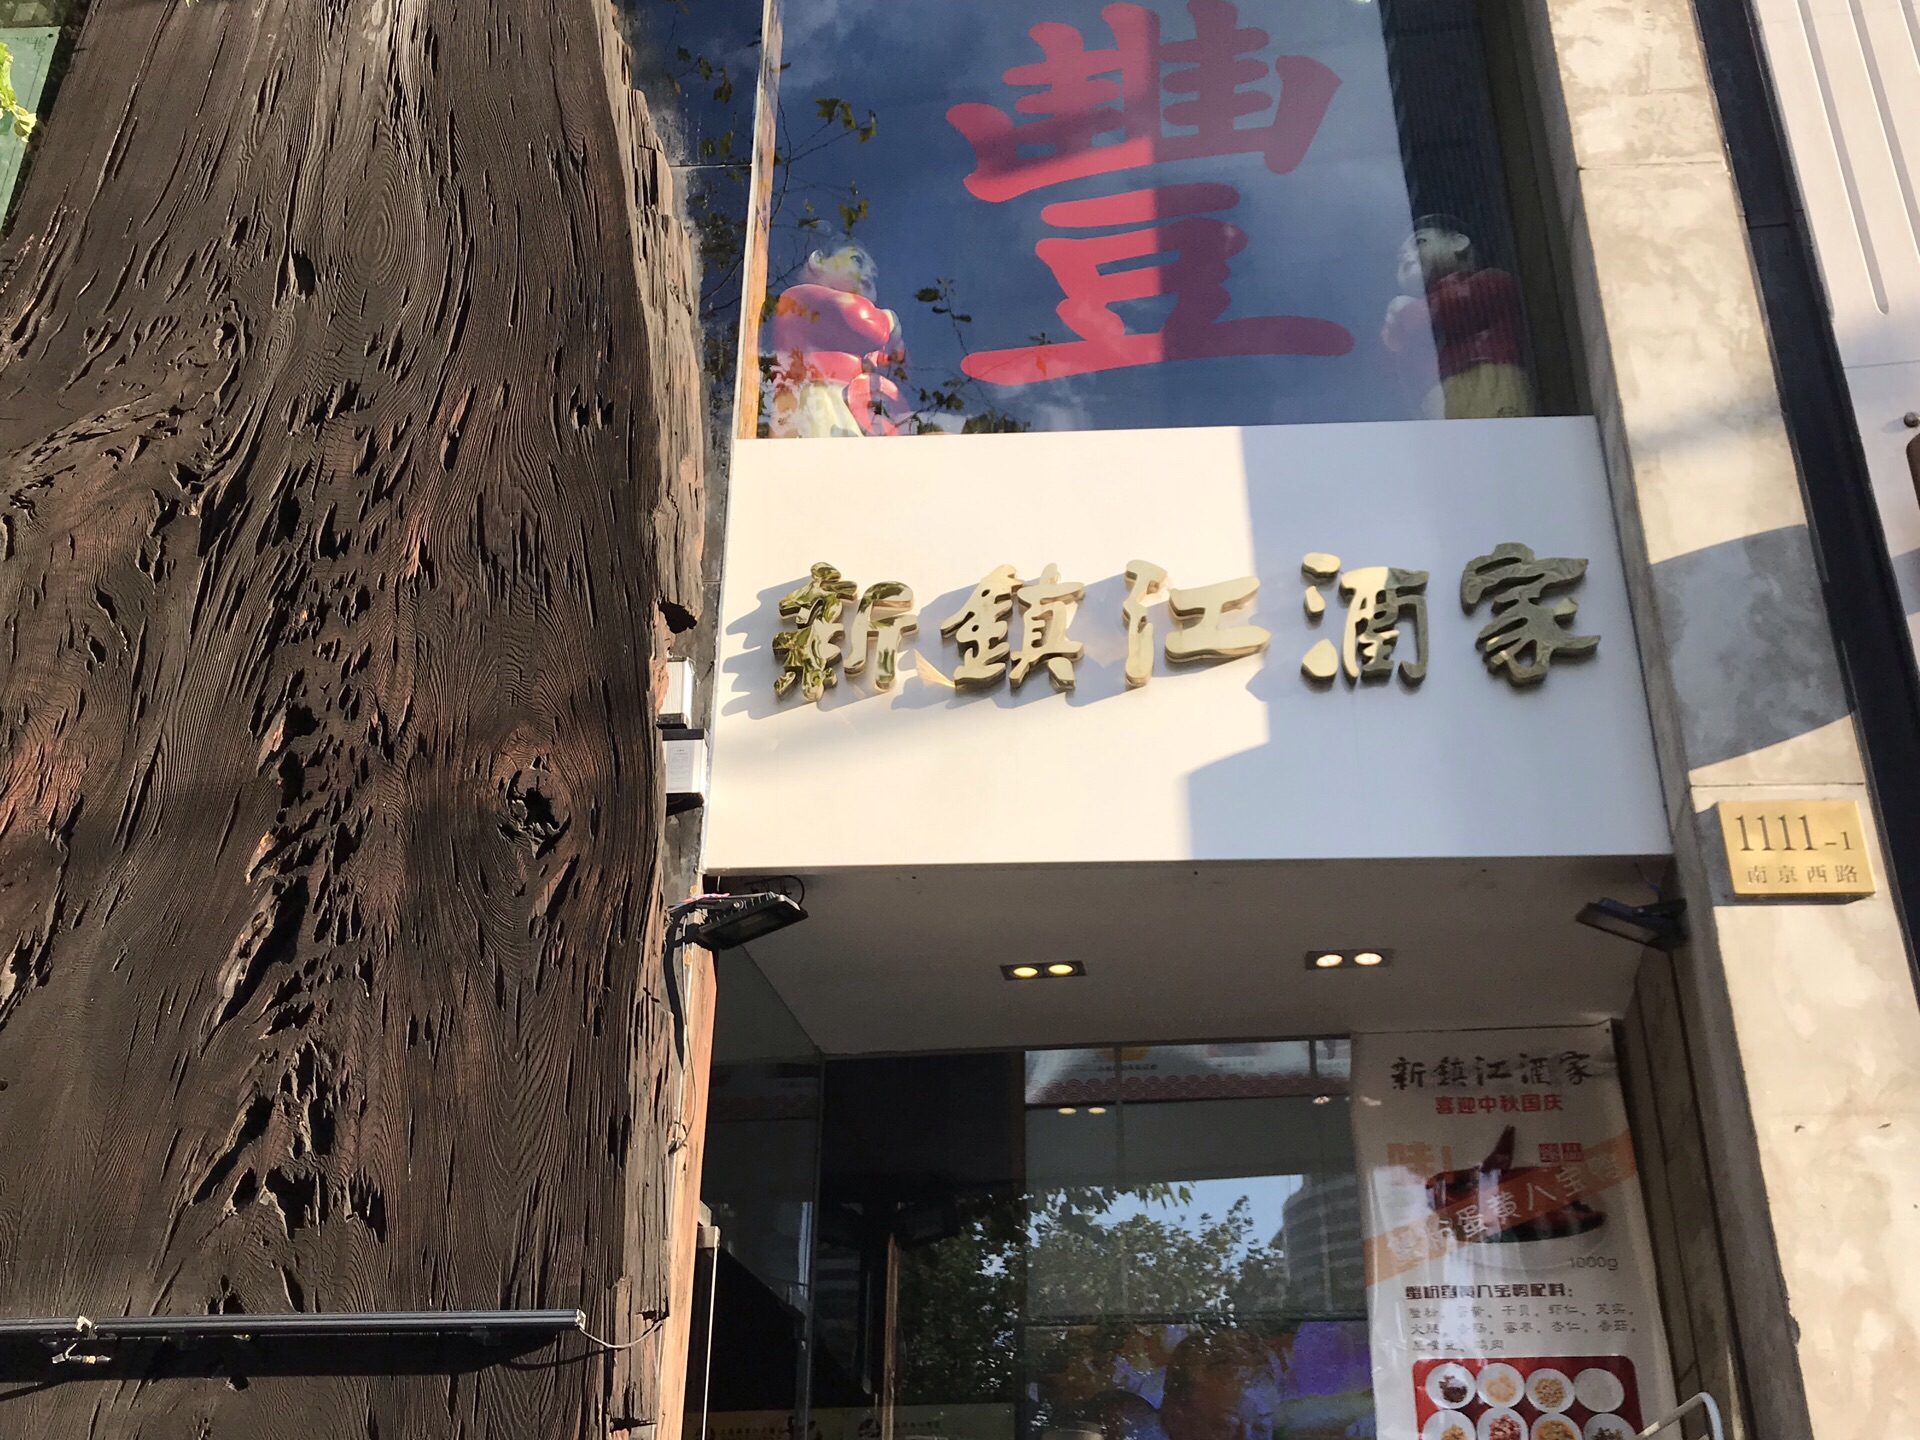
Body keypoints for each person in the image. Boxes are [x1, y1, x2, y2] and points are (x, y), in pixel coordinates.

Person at [1381, 215, 1533, 421]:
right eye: (1400, 257)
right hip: (1437, 397)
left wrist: (1409, 313)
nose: (1406, 256)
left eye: (1419, 242)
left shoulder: (1490, 282)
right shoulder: (1414, 319)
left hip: (1487, 378)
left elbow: (1455, 307)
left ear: (1458, 242)